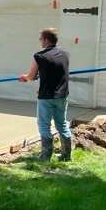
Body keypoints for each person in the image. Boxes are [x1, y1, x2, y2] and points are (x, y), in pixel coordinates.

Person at [19, 27, 72, 162]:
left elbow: (32, 76)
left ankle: (45, 156)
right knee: (62, 124)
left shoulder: (39, 56)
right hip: (62, 95)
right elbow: (56, 73)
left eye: (41, 39)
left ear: (46, 40)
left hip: (47, 96)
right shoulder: (65, 53)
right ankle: (66, 156)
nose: (40, 41)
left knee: (44, 125)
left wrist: (24, 77)